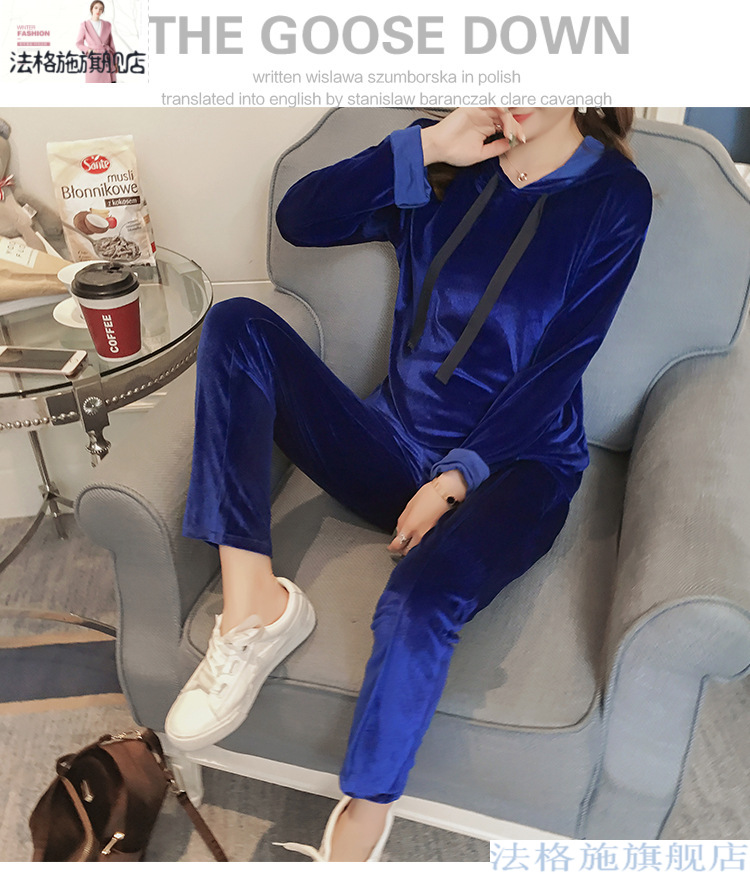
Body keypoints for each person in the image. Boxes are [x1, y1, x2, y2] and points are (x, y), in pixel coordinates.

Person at [165, 107, 653, 861]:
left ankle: (361, 820)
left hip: (518, 468)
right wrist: (426, 146)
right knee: (236, 325)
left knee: (420, 600)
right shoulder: (449, 153)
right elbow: (301, 220)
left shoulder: (615, 195)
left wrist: (459, 476)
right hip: (393, 442)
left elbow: (562, 362)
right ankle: (254, 604)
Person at [75, 1, 117, 83]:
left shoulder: (107, 25)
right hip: (94, 59)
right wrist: (88, 50)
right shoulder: (85, 25)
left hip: (107, 58)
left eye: (101, 9)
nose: (98, 10)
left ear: (102, 11)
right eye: (96, 8)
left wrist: (115, 62)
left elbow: (111, 45)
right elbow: (79, 43)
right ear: (91, 9)